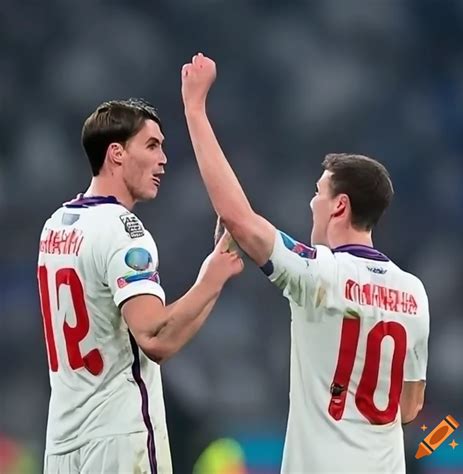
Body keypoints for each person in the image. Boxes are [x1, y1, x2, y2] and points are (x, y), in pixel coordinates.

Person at [181, 53, 429, 473]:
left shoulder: (319, 273)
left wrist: (195, 108)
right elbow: (409, 407)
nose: (312, 202)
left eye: (319, 193)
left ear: (340, 206)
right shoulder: (415, 292)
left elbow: (240, 219)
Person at [37, 98, 243, 474]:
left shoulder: (56, 225)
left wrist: (214, 276)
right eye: (151, 145)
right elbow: (157, 339)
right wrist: (211, 278)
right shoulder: (124, 230)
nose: (163, 158)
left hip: (62, 442)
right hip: (118, 438)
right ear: (116, 153)